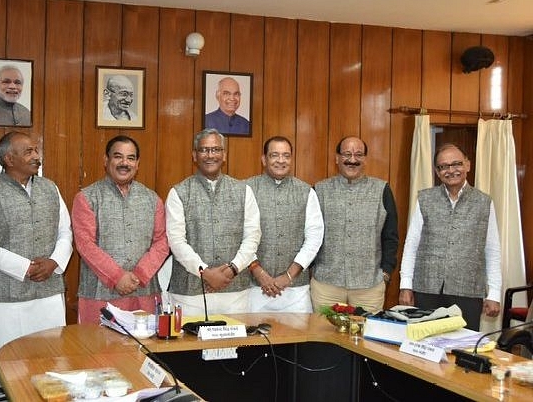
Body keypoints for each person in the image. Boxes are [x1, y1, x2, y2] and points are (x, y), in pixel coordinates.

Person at [0, 131, 73, 393]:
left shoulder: (50, 188)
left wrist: (54, 262)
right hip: (6, 298)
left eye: (36, 150)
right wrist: (25, 268)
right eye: (28, 151)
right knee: (5, 371)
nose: (36, 157)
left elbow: (66, 232)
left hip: (48, 294)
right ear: (8, 158)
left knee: (52, 365)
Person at [399, 143, 501, 331]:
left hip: (468, 291)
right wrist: (406, 285)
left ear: (468, 165)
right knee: (424, 347)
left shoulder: (484, 202)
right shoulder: (425, 199)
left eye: (457, 164)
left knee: (462, 350)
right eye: (443, 166)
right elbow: (412, 244)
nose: (451, 170)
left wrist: (494, 293)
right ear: (437, 172)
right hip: (427, 288)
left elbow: (492, 249)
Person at [71, 135, 170, 323]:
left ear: (137, 163)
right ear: (106, 160)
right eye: (118, 157)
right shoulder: (87, 197)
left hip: (144, 292)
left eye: (131, 158)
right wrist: (117, 277)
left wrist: (139, 275)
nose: (125, 163)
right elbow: (85, 244)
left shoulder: (152, 199)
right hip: (99, 294)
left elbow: (162, 242)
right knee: (98, 351)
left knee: (144, 350)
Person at [165, 128, 261, 315]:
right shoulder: (179, 192)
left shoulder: (243, 190)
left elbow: (253, 236)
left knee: (234, 344)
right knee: (191, 344)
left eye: (216, 150)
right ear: (194, 155)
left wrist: (232, 269)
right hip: (189, 293)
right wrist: (205, 273)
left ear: (224, 155)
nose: (210, 155)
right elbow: (176, 241)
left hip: (235, 291)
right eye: (204, 150)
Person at [311, 136, 399, 313]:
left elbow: (391, 235)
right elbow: (309, 234)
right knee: (323, 337)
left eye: (358, 154)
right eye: (347, 154)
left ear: (365, 159)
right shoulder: (319, 190)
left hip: (369, 286)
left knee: (366, 337)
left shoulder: (382, 189)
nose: (352, 159)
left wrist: (386, 273)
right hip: (326, 284)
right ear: (337, 158)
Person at [245, 136, 324, 313]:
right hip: (254, 288)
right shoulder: (246, 189)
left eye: (286, 156)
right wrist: (260, 274)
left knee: (298, 340)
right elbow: (239, 236)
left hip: (296, 291)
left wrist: (289, 276)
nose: (281, 160)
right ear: (264, 159)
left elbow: (314, 237)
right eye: (274, 155)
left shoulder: (306, 191)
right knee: (254, 340)